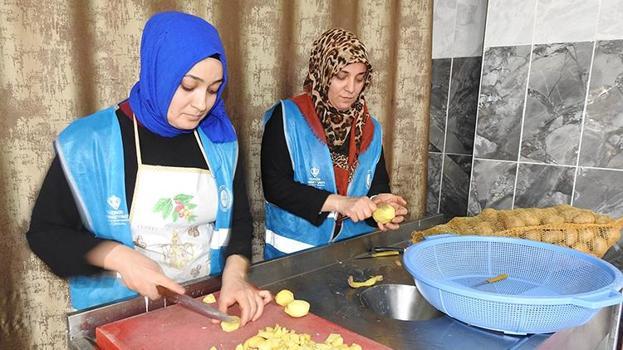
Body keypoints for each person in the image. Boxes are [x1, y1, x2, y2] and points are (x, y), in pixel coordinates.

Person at [26, 11, 270, 326]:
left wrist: (235, 276)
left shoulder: (218, 139)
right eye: (188, 86)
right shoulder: (89, 142)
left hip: (202, 306)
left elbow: (237, 221)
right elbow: (46, 234)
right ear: (161, 73)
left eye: (213, 90)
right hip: (119, 317)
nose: (201, 104)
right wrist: (117, 257)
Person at [261, 28, 408, 260]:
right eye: (341, 76)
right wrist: (342, 203)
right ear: (323, 72)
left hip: (352, 253)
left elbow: (376, 185)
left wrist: (377, 206)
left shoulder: (370, 127)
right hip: (294, 255)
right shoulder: (288, 117)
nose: (351, 88)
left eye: (359, 79)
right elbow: (276, 187)